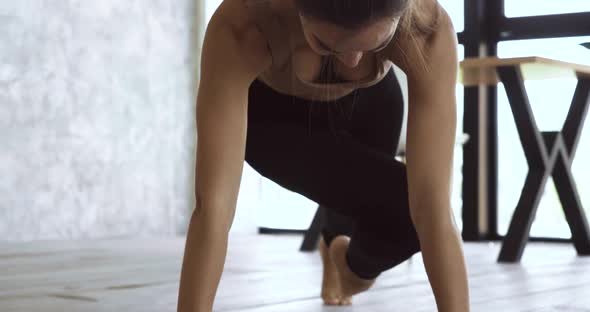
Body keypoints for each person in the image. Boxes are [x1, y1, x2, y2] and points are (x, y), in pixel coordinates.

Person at [177, 0, 470, 311]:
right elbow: (213, 210)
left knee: (409, 222)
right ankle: (336, 245)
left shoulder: (426, 28)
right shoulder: (244, 25)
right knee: (379, 205)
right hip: (273, 122)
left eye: (377, 44)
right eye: (327, 44)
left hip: (367, 108)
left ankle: (343, 260)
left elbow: (433, 209)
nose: (354, 61)